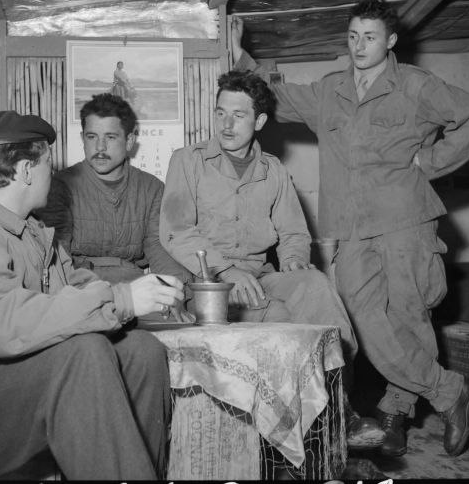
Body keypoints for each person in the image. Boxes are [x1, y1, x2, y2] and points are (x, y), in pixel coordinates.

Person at [231, 0, 469, 457]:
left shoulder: (415, 85)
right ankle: (449, 391)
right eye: (352, 36)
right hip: (347, 228)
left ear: (390, 41)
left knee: (410, 317)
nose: (359, 46)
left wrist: (433, 161)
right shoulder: (330, 90)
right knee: (361, 323)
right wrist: (242, 58)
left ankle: (396, 413)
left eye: (369, 37)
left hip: (406, 220)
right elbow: (276, 98)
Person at [0, 110, 185, 480]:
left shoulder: (30, 230)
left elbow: (72, 286)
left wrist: (135, 296)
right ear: (25, 171)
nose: (53, 172)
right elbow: (4, 326)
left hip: (11, 381)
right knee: (83, 353)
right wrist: (122, 299)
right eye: (48, 162)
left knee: (141, 350)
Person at [159, 69, 384, 449]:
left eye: (238, 115)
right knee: (280, 319)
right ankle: (301, 436)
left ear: (259, 120)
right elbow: (176, 231)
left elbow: (294, 233)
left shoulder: (274, 172)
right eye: (220, 113)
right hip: (206, 284)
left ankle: (342, 408)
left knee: (313, 284)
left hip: (259, 277)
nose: (226, 124)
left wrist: (295, 260)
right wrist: (223, 268)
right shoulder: (188, 161)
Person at [37, 92, 193, 322]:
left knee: (173, 324)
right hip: (80, 290)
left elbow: (160, 250)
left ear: (129, 141)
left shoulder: (151, 189)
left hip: (136, 288)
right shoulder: (60, 186)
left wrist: (173, 295)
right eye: (92, 137)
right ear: (82, 138)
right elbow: (58, 258)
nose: (99, 147)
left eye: (110, 137)